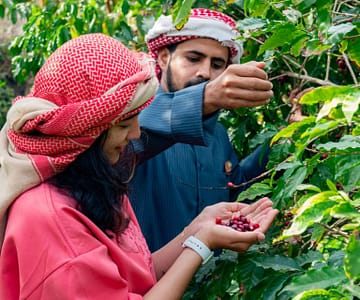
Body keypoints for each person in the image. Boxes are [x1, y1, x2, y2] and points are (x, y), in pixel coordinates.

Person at [0, 33, 278, 299]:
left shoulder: (95, 180)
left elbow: (132, 276)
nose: (135, 133)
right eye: (123, 124)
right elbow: (156, 126)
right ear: (85, 131)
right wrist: (200, 243)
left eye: (217, 64)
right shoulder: (53, 219)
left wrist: (195, 231)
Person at [129, 8, 275, 252]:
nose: (205, 72)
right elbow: (133, 142)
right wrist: (203, 99)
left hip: (208, 284)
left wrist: (282, 141)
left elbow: (234, 189)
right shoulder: (132, 118)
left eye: (217, 64)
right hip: (146, 284)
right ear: (164, 58)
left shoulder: (217, 134)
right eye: (194, 59)